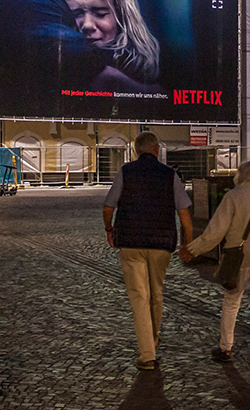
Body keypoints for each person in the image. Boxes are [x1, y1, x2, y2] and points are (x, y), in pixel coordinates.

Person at [179, 161, 250, 371]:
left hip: (240, 258)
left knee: (232, 302)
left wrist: (193, 249)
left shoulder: (233, 197)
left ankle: (226, 348)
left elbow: (215, 232)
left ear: (240, 176)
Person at [102, 132, 192, 371]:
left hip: (131, 242)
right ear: (156, 149)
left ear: (136, 151)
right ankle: (152, 339)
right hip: (161, 244)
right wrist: (187, 244)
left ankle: (147, 354)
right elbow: (185, 216)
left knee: (139, 297)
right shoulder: (170, 175)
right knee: (156, 294)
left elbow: (109, 206)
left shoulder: (126, 172)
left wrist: (109, 229)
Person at [52, 0, 161, 92]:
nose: (88, 25)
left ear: (122, 14)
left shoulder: (145, 72)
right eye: (76, 14)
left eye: (100, 13)